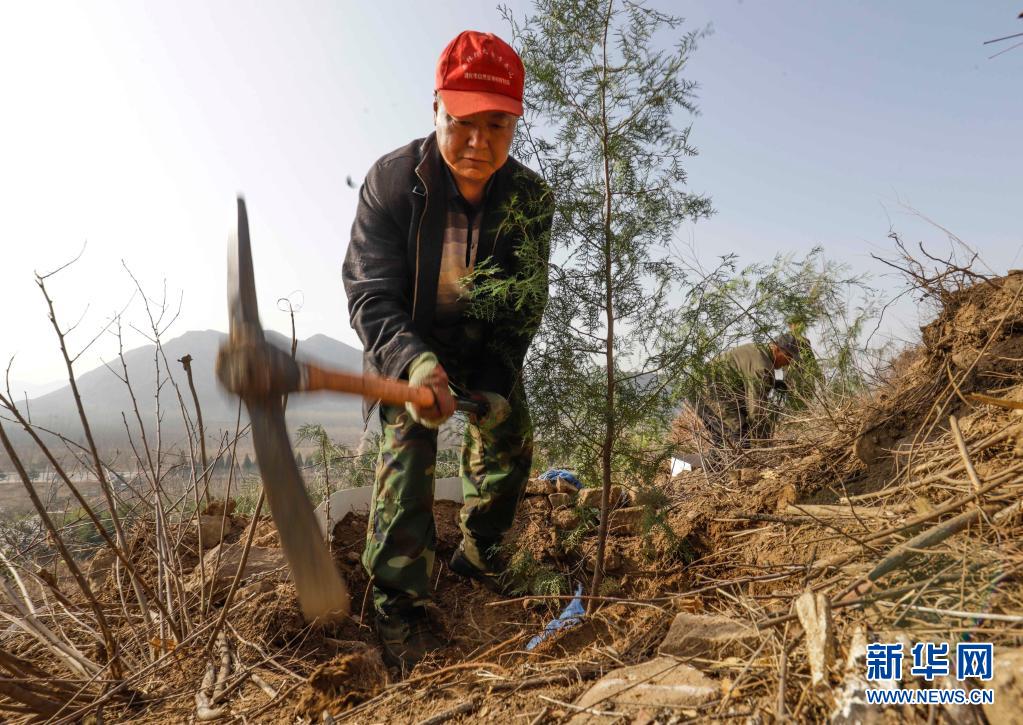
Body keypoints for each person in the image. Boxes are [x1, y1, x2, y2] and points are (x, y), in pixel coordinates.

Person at [341, 30, 553, 671]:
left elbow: (522, 305)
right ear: (436, 108)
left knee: (511, 435)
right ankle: (397, 610)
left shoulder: (529, 201)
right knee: (409, 449)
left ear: (515, 123)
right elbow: (370, 295)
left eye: (497, 125)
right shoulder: (392, 183)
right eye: (462, 122)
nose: (477, 143)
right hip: (409, 347)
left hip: (481, 348)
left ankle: (481, 554)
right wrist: (417, 365)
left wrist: (492, 383)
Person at [695, 334, 799, 454]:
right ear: (777, 349)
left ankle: (715, 469)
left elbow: (744, 375)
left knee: (725, 443)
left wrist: (773, 382)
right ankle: (731, 469)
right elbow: (756, 409)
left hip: (706, 392)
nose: (789, 362)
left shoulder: (760, 352)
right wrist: (766, 447)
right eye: (789, 356)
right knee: (739, 438)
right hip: (708, 395)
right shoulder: (761, 366)